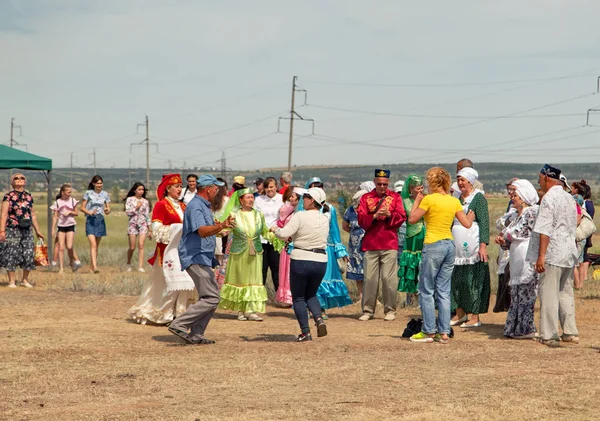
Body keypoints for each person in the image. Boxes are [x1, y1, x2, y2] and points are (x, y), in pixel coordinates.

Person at [407, 167, 474, 343]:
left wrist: (417, 201)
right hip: (449, 245)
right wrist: (472, 216)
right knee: (444, 291)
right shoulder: (453, 201)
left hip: (433, 244)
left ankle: (428, 330)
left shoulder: (428, 200)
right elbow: (467, 223)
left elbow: (412, 219)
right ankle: (444, 332)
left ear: (432, 182)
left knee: (426, 290)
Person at [168, 175, 235, 345]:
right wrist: (220, 226)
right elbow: (202, 231)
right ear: (208, 188)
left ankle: (196, 334)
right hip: (195, 256)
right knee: (212, 297)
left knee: (211, 297)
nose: (218, 191)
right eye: (216, 187)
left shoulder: (204, 206)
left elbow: (206, 230)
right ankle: (179, 324)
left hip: (203, 257)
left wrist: (220, 228)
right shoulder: (197, 206)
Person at [128, 174, 196, 325]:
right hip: (166, 252)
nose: (179, 189)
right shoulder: (161, 205)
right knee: (167, 284)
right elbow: (157, 229)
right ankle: (162, 313)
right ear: (168, 188)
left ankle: (180, 313)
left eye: (180, 186)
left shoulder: (183, 206)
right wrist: (178, 228)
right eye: (176, 186)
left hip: (183, 251)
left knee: (184, 282)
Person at [527, 164, 579, 347]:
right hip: (569, 251)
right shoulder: (569, 197)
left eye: (540, 179)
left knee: (548, 293)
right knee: (565, 291)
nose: (538, 182)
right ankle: (570, 331)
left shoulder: (549, 198)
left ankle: (549, 334)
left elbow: (545, 230)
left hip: (553, 251)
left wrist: (541, 256)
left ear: (547, 178)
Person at [271, 187, 330, 342]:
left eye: (306, 197)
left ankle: (305, 332)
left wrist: (274, 229)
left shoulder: (300, 216)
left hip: (301, 259)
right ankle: (319, 319)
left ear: (312, 201)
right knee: (311, 294)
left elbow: (284, 234)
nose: (303, 199)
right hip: (321, 261)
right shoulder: (325, 218)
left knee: (298, 298)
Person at [218, 187, 282, 321]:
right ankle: (241, 310)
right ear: (240, 200)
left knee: (254, 279)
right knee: (241, 279)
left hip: (255, 252)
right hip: (239, 252)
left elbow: (265, 231)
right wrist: (218, 229)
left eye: (252, 197)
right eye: (248, 197)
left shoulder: (259, 215)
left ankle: (251, 310)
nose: (251, 200)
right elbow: (223, 230)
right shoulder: (234, 215)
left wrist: (278, 237)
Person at [357, 169, 406, 321]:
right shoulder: (366, 198)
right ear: (374, 182)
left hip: (389, 243)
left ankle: (390, 310)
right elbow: (361, 218)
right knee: (370, 279)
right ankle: (368, 310)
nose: (382, 187)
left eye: (385, 184)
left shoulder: (395, 197)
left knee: (388, 279)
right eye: (379, 184)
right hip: (370, 244)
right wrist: (375, 216)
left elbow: (402, 216)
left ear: (388, 183)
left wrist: (390, 216)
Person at [495, 179, 540, 339]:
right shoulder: (517, 215)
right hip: (517, 258)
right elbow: (510, 236)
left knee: (526, 294)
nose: (512, 197)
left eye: (515, 194)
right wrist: (503, 242)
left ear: (523, 195)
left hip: (528, 257)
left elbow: (520, 233)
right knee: (517, 294)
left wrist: (506, 235)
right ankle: (515, 328)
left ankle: (526, 328)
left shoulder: (532, 212)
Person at [450, 167, 490, 328]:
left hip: (473, 245)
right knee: (457, 281)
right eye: (458, 180)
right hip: (456, 246)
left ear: (470, 182)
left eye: (463, 180)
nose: (460, 183)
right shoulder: (457, 198)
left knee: (472, 281)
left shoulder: (478, 198)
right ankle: (460, 313)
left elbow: (485, 222)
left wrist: (483, 246)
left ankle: (474, 317)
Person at [306, 177, 352, 314]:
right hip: (310, 248)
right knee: (312, 278)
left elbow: (334, 230)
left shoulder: (329, 209)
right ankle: (312, 308)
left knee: (324, 279)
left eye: (320, 187)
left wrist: (340, 250)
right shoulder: (304, 209)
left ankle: (321, 309)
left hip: (327, 248)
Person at [0, 173, 45, 288]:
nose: (19, 179)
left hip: (27, 229)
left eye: (22, 178)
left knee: (28, 252)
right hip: (12, 228)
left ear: (25, 182)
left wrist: (38, 231)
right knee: (12, 253)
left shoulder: (29, 196)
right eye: (16, 178)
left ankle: (25, 280)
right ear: (12, 182)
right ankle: (11, 281)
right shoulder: (8, 196)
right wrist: (2, 231)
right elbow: (4, 214)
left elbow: (33, 214)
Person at [254, 176, 283, 293]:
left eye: (271, 186)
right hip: (261, 238)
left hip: (276, 238)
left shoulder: (282, 199)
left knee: (276, 268)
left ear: (276, 187)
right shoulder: (259, 200)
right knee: (262, 268)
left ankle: (279, 295)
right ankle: (260, 295)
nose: (269, 189)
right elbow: (256, 217)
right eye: (266, 187)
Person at [276, 186, 304, 306]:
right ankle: (286, 298)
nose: (290, 198)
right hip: (287, 246)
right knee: (285, 270)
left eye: (293, 196)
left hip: (294, 246)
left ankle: (293, 297)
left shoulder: (300, 214)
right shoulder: (290, 211)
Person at [397, 175, 425, 295]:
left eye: (422, 188)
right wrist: (417, 201)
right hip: (411, 236)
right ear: (411, 189)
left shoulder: (426, 200)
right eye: (417, 188)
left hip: (423, 234)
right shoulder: (405, 202)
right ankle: (410, 295)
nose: (420, 191)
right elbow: (409, 218)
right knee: (411, 265)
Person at [80, 175, 111, 274]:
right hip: (91, 220)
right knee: (93, 244)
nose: (99, 185)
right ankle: (96, 267)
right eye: (97, 183)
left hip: (100, 219)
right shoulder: (88, 193)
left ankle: (91, 267)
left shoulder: (105, 194)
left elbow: (107, 208)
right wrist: (89, 212)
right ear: (93, 183)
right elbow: (82, 207)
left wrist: (107, 210)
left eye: (101, 183)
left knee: (96, 246)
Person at [342, 189, 368, 302]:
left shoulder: (369, 210)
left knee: (369, 272)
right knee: (358, 273)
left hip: (368, 245)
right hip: (355, 247)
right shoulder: (350, 211)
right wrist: (355, 235)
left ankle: (372, 298)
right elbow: (345, 226)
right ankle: (361, 297)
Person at [50, 184, 82, 274]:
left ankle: (72, 261)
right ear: (62, 192)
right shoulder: (57, 202)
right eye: (68, 192)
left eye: (70, 192)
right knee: (61, 247)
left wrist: (70, 212)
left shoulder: (72, 201)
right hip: (61, 226)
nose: (69, 194)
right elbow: (55, 216)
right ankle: (61, 268)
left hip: (70, 225)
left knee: (69, 246)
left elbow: (76, 213)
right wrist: (53, 229)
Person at [124, 182, 152, 272]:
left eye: (142, 190)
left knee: (141, 245)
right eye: (139, 189)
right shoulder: (130, 199)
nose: (141, 191)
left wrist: (150, 229)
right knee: (132, 247)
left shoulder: (146, 202)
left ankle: (140, 266)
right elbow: (128, 212)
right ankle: (128, 263)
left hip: (143, 223)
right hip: (133, 223)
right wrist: (136, 207)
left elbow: (147, 215)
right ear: (135, 190)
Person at [211, 177, 229, 268]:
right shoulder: (228, 201)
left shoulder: (210, 200)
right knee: (223, 262)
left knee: (214, 262)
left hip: (213, 232)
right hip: (224, 233)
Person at [580, 180, 595, 284]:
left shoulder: (585, 204)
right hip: (588, 230)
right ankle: (584, 275)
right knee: (584, 253)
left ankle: (582, 275)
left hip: (582, 230)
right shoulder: (591, 204)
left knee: (582, 254)